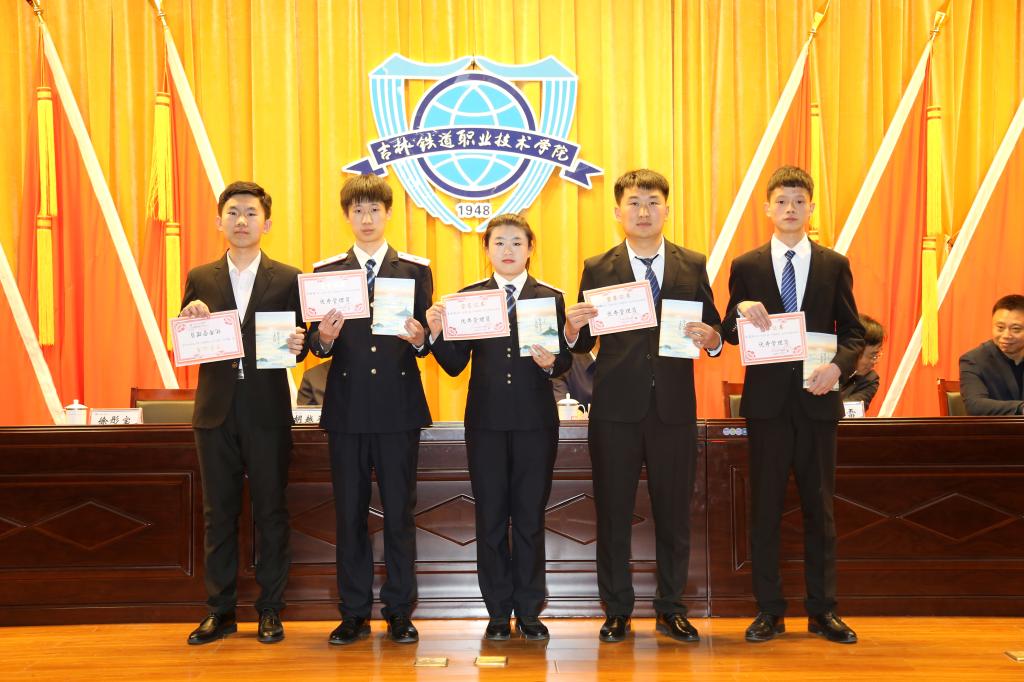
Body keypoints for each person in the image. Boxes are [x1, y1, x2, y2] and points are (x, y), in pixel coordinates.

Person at [563, 169, 723, 643]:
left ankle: (672, 608)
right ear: (618, 212)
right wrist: (572, 329)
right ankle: (616, 610)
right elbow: (584, 340)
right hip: (615, 409)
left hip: (673, 408)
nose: (644, 211)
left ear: (667, 209)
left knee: (674, 514)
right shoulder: (598, 267)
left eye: (652, 202)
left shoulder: (692, 264)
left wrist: (712, 339)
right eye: (634, 203)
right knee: (613, 514)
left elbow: (713, 326)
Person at [722, 166, 864, 645]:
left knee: (820, 511)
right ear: (767, 208)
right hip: (766, 407)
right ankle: (769, 611)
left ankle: (823, 611)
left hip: (817, 403)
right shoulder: (746, 265)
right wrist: (739, 310)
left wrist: (838, 368)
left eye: (799, 201)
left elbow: (854, 332)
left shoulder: (833, 264)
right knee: (764, 510)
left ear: (811, 208)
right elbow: (727, 332)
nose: (790, 209)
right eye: (781, 201)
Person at [427, 214, 572, 641]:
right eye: (499, 243)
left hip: (535, 425)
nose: (508, 250)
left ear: (530, 249)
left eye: (516, 242)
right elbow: (454, 365)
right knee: (490, 519)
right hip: (486, 425)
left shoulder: (551, 298)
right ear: (487, 249)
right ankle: (496, 611)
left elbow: (565, 361)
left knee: (529, 518)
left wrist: (553, 362)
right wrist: (436, 334)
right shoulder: (469, 300)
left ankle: (529, 610)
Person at [308, 174, 433, 645]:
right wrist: (324, 338)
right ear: (347, 216)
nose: (366, 219)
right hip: (347, 411)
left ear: (388, 214)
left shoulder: (415, 270)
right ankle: (354, 612)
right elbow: (315, 345)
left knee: (400, 513)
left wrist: (420, 340)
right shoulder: (327, 273)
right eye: (358, 210)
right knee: (349, 515)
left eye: (374, 210)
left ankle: (400, 611)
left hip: (399, 410)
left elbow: (425, 342)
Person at [180, 181, 307, 645]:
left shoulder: (289, 278)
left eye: (251, 213)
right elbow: (188, 337)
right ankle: (220, 611)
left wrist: (300, 343)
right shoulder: (201, 277)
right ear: (219, 221)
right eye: (233, 212)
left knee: (271, 512)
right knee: (218, 515)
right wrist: (190, 316)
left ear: (266, 224)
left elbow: (302, 343)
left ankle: (271, 610)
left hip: (267, 410)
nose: (242, 221)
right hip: (214, 412)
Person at [959, 294, 1024, 415]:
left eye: (1016, 329)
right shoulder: (974, 360)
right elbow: (975, 405)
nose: (1006, 335)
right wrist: (1020, 408)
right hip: (995, 427)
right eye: (1000, 328)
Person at [839, 315, 884, 410]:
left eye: (877, 355)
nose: (875, 361)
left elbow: (849, 412)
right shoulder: (824, 365)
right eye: (873, 355)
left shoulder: (869, 380)